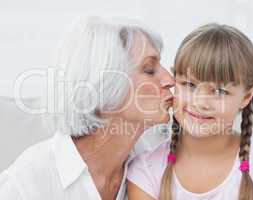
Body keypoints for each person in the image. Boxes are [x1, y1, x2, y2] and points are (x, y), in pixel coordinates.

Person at [0, 16, 174, 200]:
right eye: (149, 69)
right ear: (106, 87)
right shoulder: (27, 184)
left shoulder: (153, 163)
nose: (170, 79)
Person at [127, 23, 253, 200]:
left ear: (246, 97)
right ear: (174, 79)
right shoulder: (145, 170)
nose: (201, 103)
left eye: (219, 91)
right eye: (189, 85)